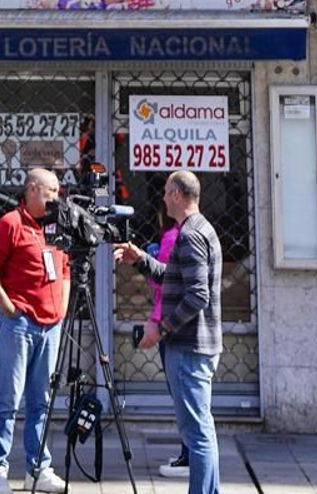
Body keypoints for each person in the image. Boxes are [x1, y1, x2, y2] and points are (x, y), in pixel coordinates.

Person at [115, 171, 223, 494]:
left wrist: (162, 328)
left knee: (197, 433)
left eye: (165, 192)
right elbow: (174, 277)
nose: (162, 198)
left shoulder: (189, 235)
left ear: (176, 194)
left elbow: (197, 295)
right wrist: (141, 260)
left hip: (189, 347)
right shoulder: (199, 229)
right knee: (203, 428)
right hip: (200, 345)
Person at [0, 165, 70, 494]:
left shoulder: (56, 226)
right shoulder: (11, 224)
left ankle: (38, 468)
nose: (56, 198)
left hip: (51, 326)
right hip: (20, 325)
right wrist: (7, 307)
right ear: (32, 190)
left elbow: (66, 269)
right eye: (51, 193)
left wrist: (62, 308)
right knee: (8, 399)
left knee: (41, 402)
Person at [137, 218, 188, 480]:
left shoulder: (172, 237)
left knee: (182, 397)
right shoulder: (198, 233)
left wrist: (157, 324)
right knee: (188, 398)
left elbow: (164, 286)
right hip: (181, 325)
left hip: (170, 324)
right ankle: (189, 456)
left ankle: (189, 458)